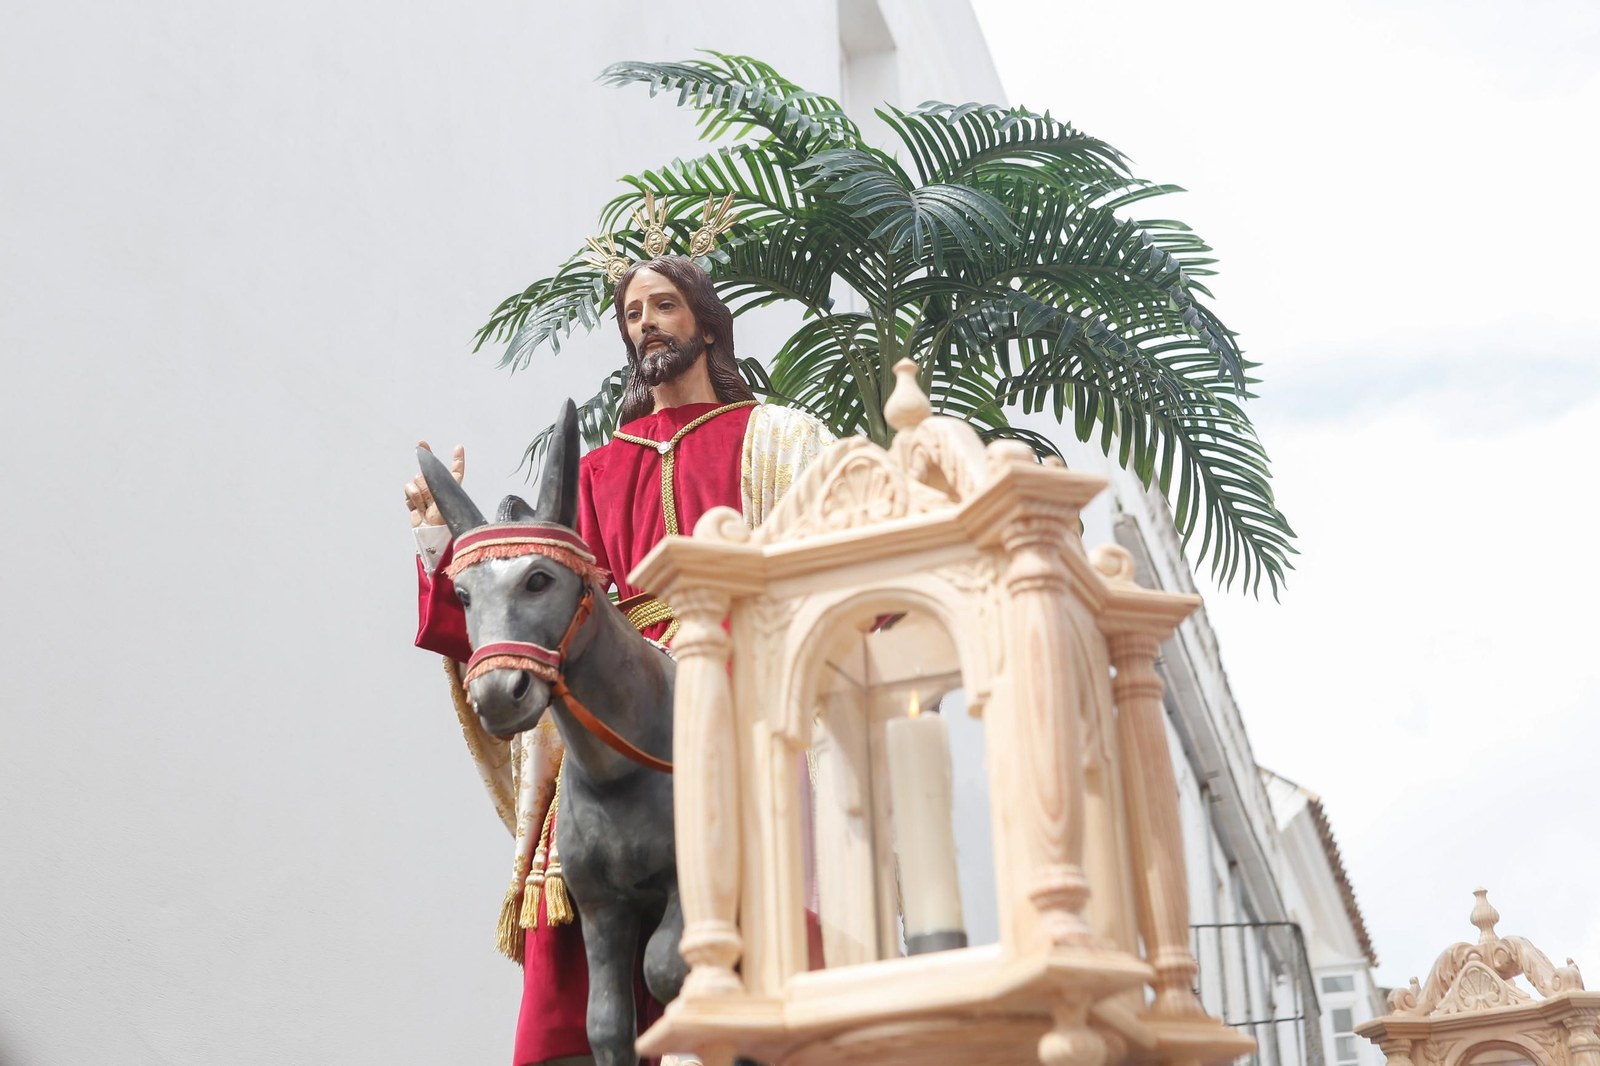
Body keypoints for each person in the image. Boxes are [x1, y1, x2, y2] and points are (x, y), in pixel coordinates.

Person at [406, 255, 833, 1066]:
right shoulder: (597, 470)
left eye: (665, 305)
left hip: (741, 671)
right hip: (611, 689)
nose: (646, 324)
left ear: (705, 323)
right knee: (574, 845)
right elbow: (525, 621)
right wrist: (438, 541)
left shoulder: (775, 438)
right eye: (633, 312)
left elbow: (832, 557)